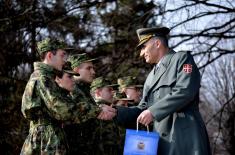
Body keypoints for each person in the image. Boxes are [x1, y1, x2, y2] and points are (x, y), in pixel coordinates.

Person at [106, 26, 211, 155]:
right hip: (161, 143)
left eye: (143, 47)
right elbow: (142, 108)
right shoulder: (151, 77)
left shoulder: (182, 59)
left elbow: (185, 91)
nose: (141, 53)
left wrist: (153, 111)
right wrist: (116, 112)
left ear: (157, 43)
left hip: (184, 139)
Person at [20, 38, 114, 155]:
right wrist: (97, 111)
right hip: (46, 140)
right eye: (62, 55)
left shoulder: (46, 77)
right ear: (49, 55)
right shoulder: (42, 78)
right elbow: (62, 109)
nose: (65, 60)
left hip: (48, 137)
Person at [65, 53, 116, 155]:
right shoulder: (71, 91)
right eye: (89, 68)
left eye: (93, 68)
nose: (93, 72)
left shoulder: (84, 91)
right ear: (75, 70)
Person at [90, 77, 122, 155]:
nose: (112, 93)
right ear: (98, 93)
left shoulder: (106, 108)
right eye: (109, 90)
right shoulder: (95, 111)